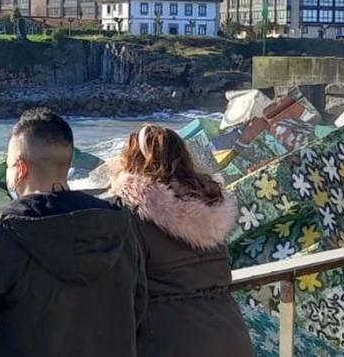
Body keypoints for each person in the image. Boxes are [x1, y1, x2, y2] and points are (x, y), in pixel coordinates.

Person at [0, 108, 146, 357]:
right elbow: (138, 307)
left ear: (20, 169)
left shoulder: (0, 236)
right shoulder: (117, 226)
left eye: (8, 164)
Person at [108, 124, 253, 357]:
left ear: (130, 164)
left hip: (171, 340)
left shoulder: (132, 218)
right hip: (230, 334)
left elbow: (121, 295)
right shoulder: (210, 208)